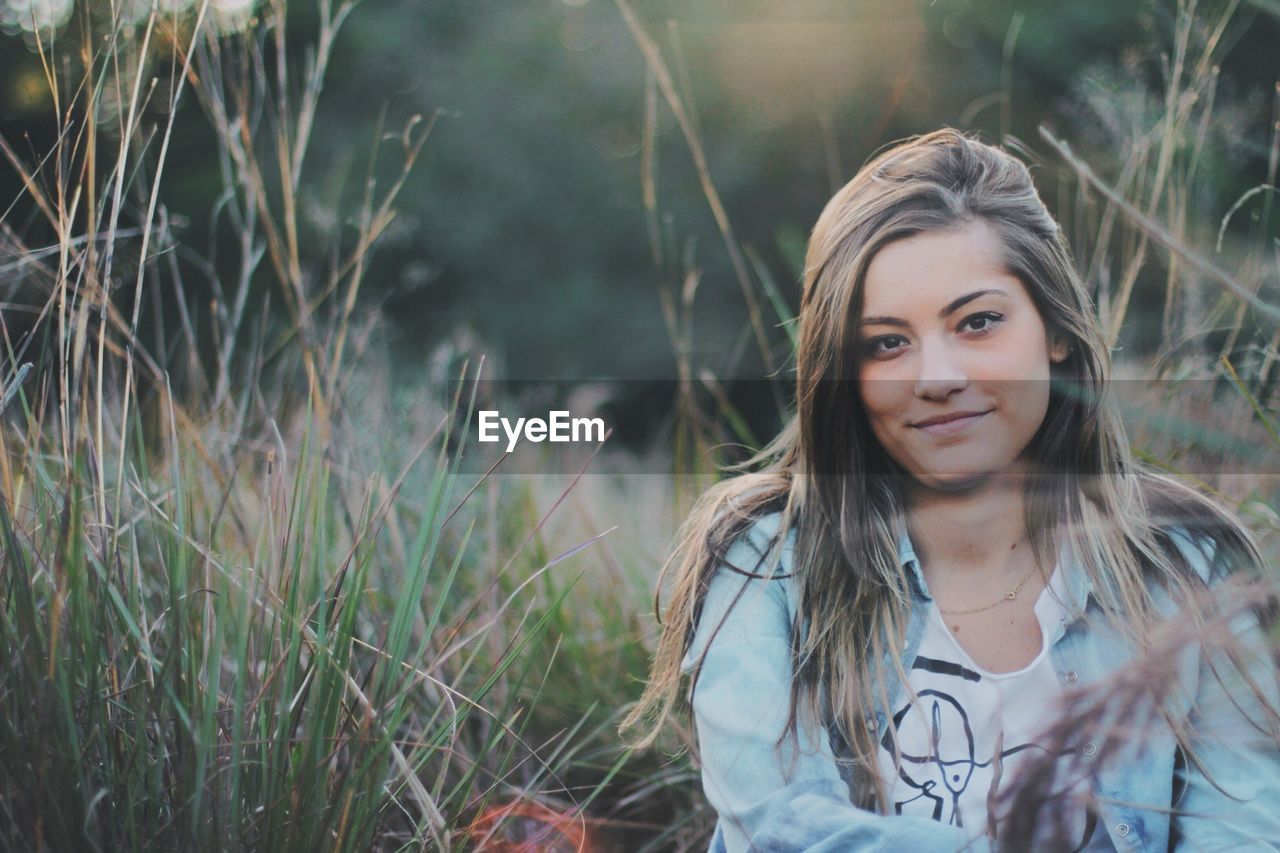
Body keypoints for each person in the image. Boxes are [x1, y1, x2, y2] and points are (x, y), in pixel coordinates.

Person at [618, 128, 1280, 852]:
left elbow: (1246, 825)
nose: (936, 377)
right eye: (886, 343)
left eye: (978, 322)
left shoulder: (1188, 562)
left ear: (1055, 330)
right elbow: (780, 822)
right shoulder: (764, 561)